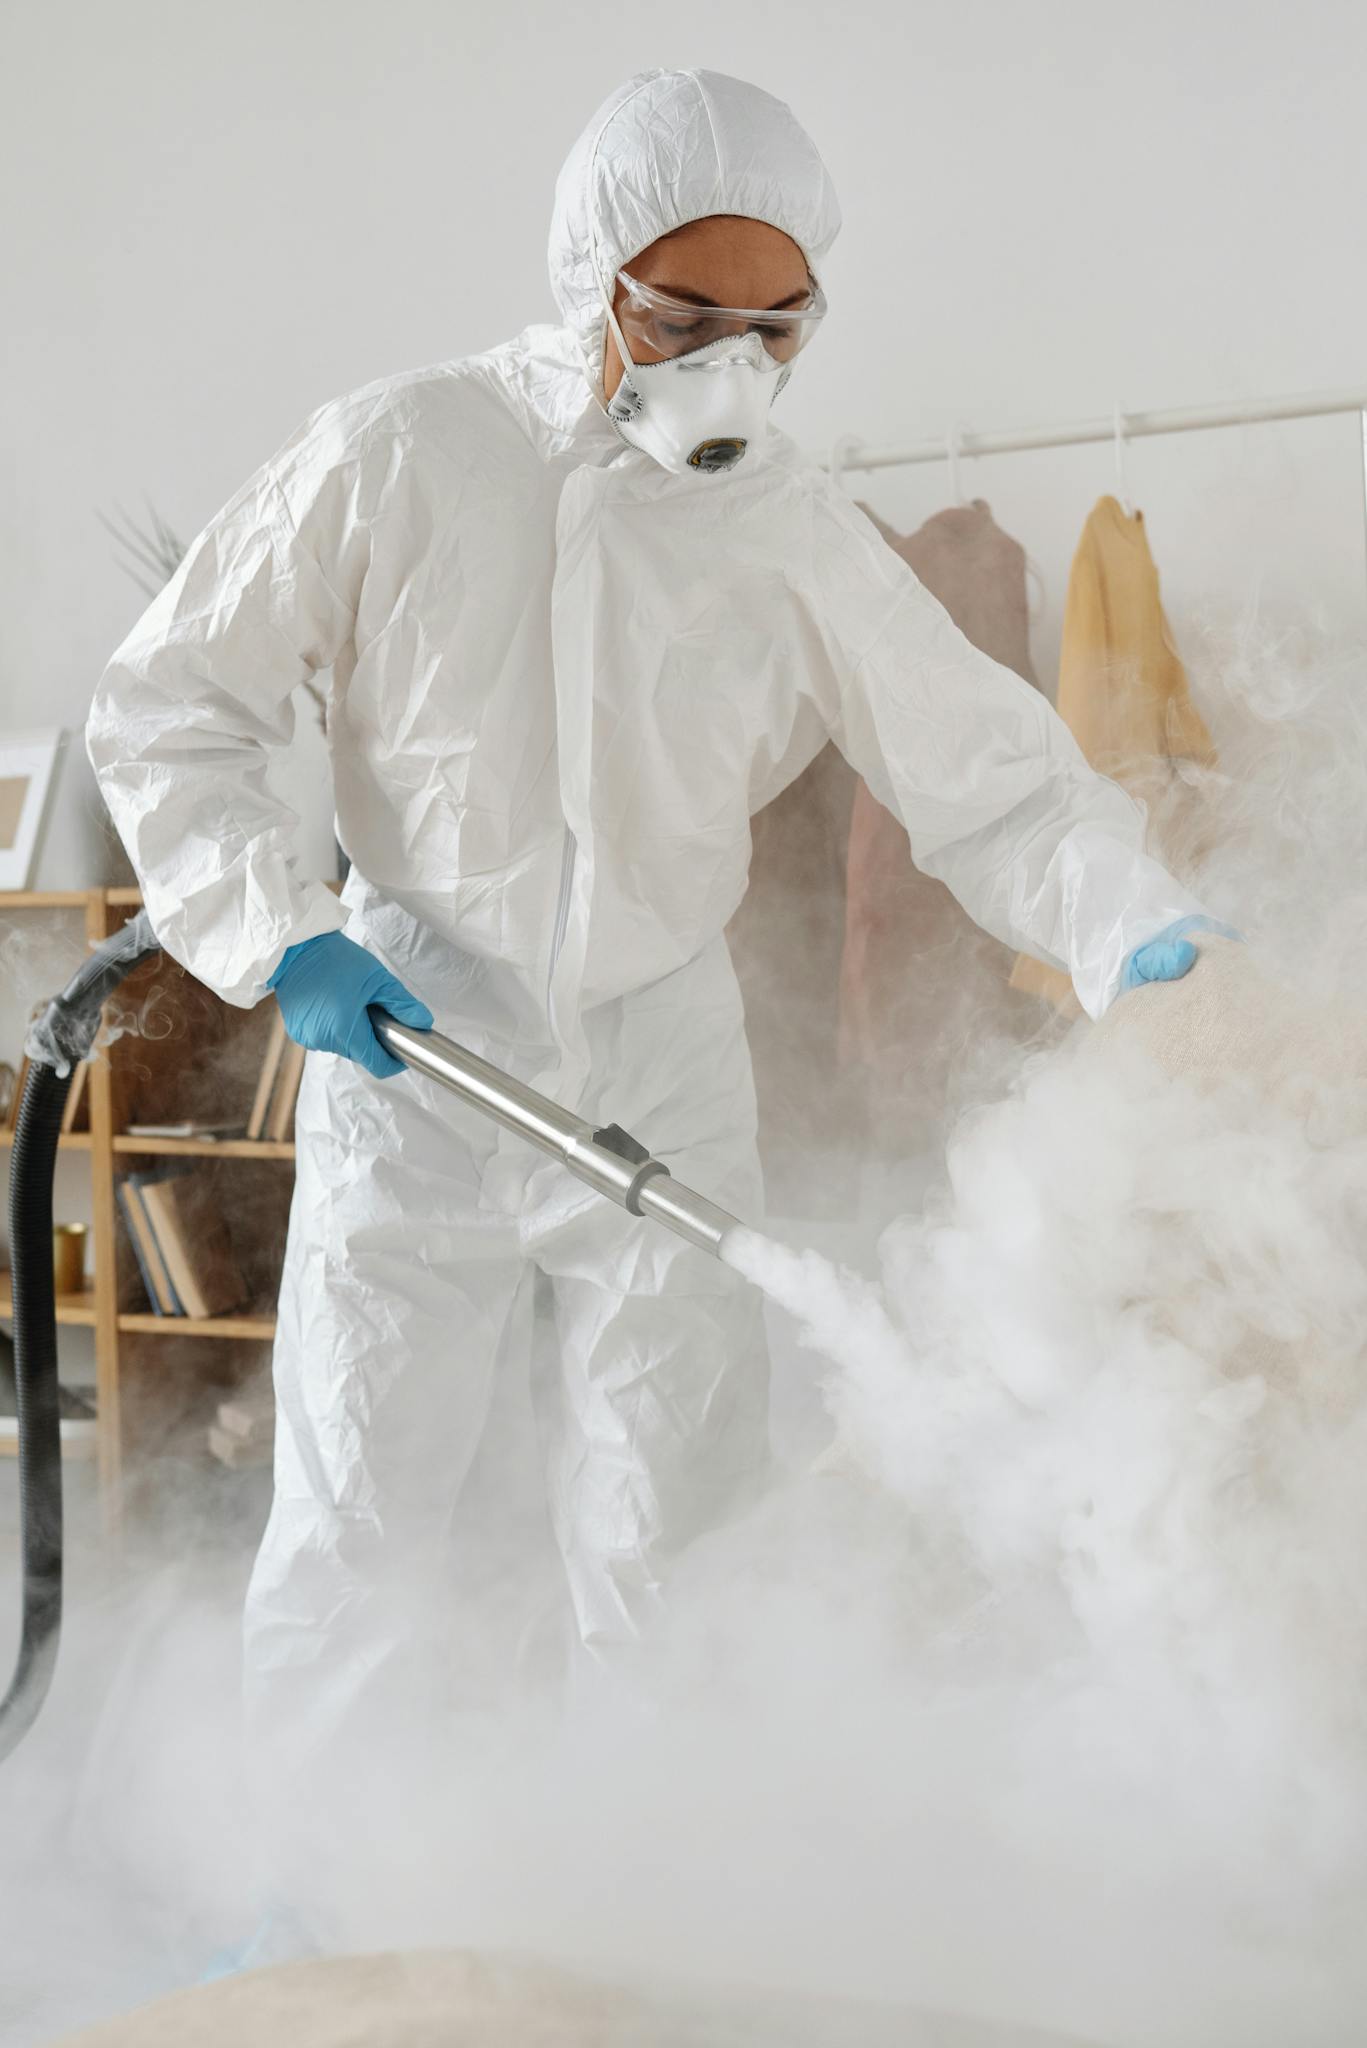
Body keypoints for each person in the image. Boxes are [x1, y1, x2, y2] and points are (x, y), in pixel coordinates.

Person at [86, 68, 1221, 1773]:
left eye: (778, 330)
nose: (730, 370)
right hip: (414, 1039)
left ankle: (658, 1857)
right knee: (365, 1498)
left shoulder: (789, 528)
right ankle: (308, 1878)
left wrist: (1126, 917)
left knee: (677, 1505)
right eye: (688, 321)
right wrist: (279, 930)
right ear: (593, 280)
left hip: (662, 1043)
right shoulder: (404, 454)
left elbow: (984, 771)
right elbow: (172, 703)